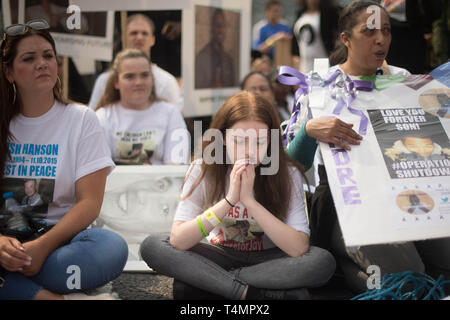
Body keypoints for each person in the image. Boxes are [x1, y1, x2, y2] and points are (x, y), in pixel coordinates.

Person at [286, 0, 450, 293]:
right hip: (348, 206)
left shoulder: (404, 82)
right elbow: (292, 165)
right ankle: (343, 266)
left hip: (411, 197)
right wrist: (310, 131)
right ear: (346, 39)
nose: (381, 40)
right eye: (369, 31)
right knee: (409, 273)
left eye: (386, 31)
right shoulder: (320, 87)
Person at [139, 91, 336, 300]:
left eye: (259, 142)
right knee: (153, 245)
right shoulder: (203, 169)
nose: (249, 151)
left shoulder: (287, 173)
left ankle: (213, 283)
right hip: (218, 254)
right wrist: (229, 201)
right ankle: (247, 293)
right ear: (222, 138)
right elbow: (179, 240)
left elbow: (297, 248)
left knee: (322, 261)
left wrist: (251, 203)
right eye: (239, 141)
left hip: (269, 260)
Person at [0, 19, 128, 300]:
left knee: (112, 247)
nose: (42, 63)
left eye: (48, 55)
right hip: (6, 242)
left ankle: (14, 288)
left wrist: (43, 246)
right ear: (9, 72)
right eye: (29, 58)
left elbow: (89, 204)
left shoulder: (81, 119)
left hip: (60, 242)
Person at [95, 49, 189, 165]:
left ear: (152, 79)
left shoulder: (170, 114)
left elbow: (177, 165)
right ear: (116, 82)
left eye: (144, 75)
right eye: (130, 77)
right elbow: (100, 168)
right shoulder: (103, 116)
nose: (138, 82)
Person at [89, 14, 181, 110]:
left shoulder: (167, 81)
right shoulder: (105, 80)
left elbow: (175, 118)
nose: (139, 37)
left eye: (144, 33)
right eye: (134, 33)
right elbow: (94, 117)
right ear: (124, 37)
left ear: (153, 40)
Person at [195, 8, 236, 89]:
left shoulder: (228, 60)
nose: (221, 29)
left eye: (224, 25)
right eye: (218, 25)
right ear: (212, 28)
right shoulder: (201, 58)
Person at [293, 0, 339, 73]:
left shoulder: (329, 14)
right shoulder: (300, 14)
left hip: (323, 62)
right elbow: (295, 43)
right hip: (304, 64)